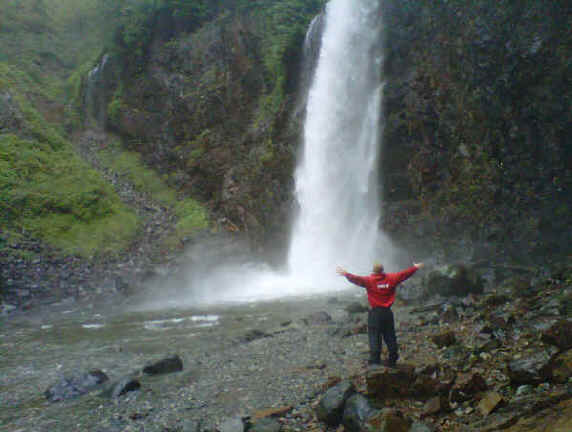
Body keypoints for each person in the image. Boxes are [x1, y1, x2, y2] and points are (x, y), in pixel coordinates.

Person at [336, 262, 424, 367]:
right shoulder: (392, 278)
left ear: (373, 271)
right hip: (387, 312)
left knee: (374, 335)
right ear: (383, 270)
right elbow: (404, 274)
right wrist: (415, 267)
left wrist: (346, 274)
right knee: (390, 335)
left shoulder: (369, 280)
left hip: (375, 313)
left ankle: (375, 360)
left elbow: (356, 279)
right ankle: (393, 358)